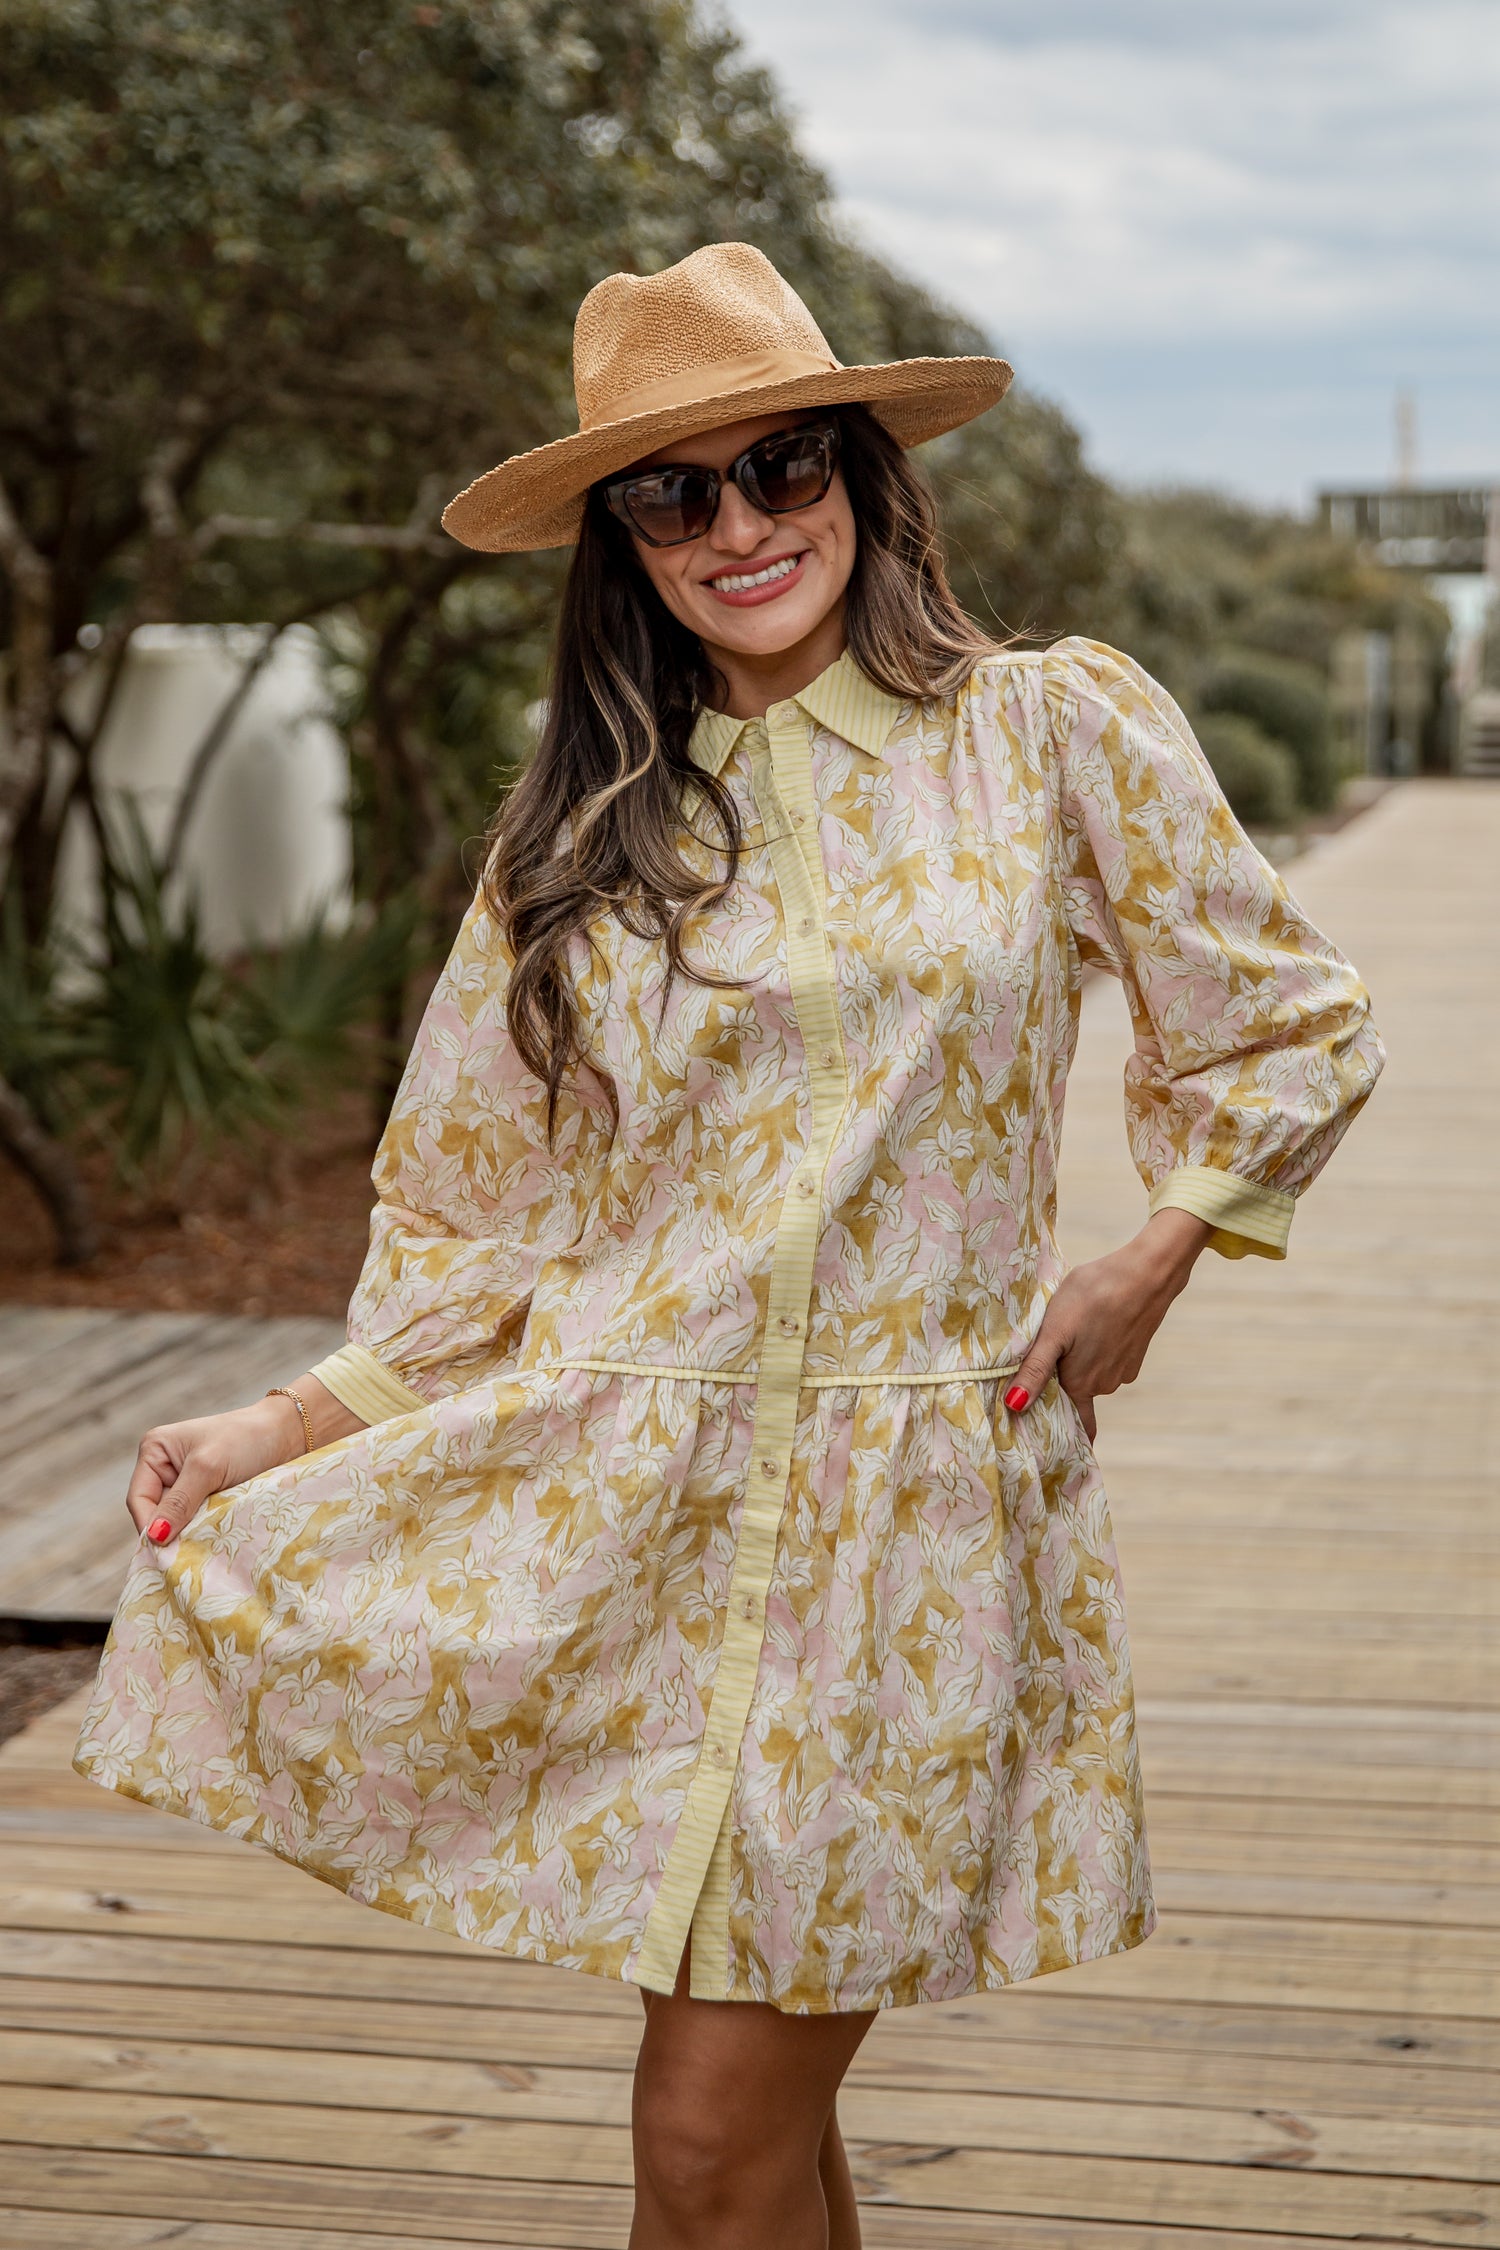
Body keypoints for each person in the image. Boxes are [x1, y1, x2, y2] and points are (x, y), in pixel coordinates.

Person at [77, 243, 1383, 2249]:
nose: (743, 525)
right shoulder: (580, 840)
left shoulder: (1049, 735)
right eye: (675, 492)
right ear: (622, 540)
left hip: (906, 1534)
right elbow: (479, 1225)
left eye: (784, 465)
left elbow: (1283, 1013)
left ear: (864, 475)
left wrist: (1151, 1259)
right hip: (639, 1530)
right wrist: (276, 1427)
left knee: (702, 2139)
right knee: (758, 2143)